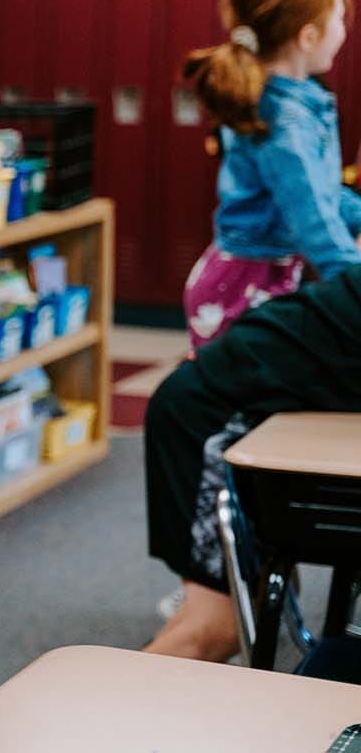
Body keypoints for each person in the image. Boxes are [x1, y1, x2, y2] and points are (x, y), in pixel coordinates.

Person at [143, 263, 361, 661]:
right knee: (214, 630)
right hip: (207, 419)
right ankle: (91, 715)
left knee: (258, 611)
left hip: (247, 406)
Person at [180, 0, 361, 350]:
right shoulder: (285, 121)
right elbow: (310, 213)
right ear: (308, 37)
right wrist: (352, 281)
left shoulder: (290, 102)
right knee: (235, 401)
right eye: (341, 18)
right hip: (246, 284)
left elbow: (322, 191)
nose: (346, 31)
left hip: (262, 272)